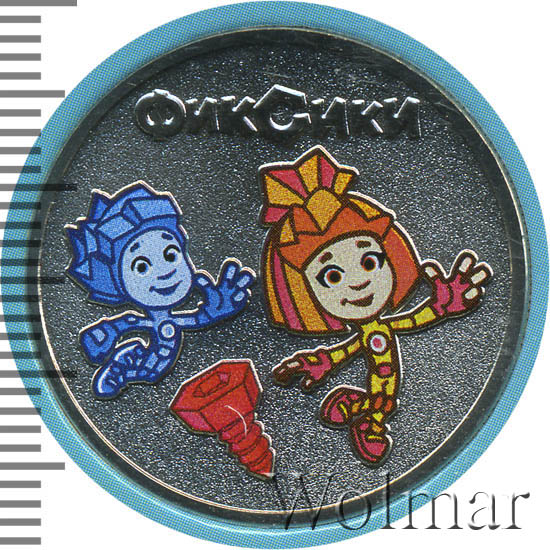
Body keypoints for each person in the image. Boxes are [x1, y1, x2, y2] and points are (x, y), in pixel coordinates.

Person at [260, 146, 491, 464]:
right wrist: (323, 361)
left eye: (369, 261)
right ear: (303, 291)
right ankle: (367, 418)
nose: (358, 282)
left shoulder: (380, 326)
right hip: (380, 387)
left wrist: (443, 307)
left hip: (384, 386)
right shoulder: (370, 331)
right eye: (331, 276)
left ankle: (360, 409)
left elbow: (411, 321)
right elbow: (352, 348)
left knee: (382, 400)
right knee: (381, 401)